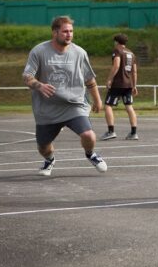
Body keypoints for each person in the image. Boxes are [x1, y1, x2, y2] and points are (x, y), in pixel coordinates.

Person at [22, 16, 107, 176]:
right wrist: (39, 85)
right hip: (47, 108)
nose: (69, 34)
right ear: (55, 32)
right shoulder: (39, 51)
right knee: (43, 147)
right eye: (65, 31)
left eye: (71, 31)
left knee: (88, 134)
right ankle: (49, 160)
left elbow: (89, 79)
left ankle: (91, 154)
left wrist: (97, 99)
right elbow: (27, 76)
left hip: (73, 105)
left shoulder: (79, 53)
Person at [101, 33, 139, 140]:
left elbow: (116, 65)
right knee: (129, 107)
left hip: (118, 83)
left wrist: (109, 79)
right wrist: (134, 85)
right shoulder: (131, 53)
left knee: (108, 105)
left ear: (116, 42)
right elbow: (134, 71)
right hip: (128, 84)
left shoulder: (117, 51)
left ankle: (111, 131)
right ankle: (133, 132)